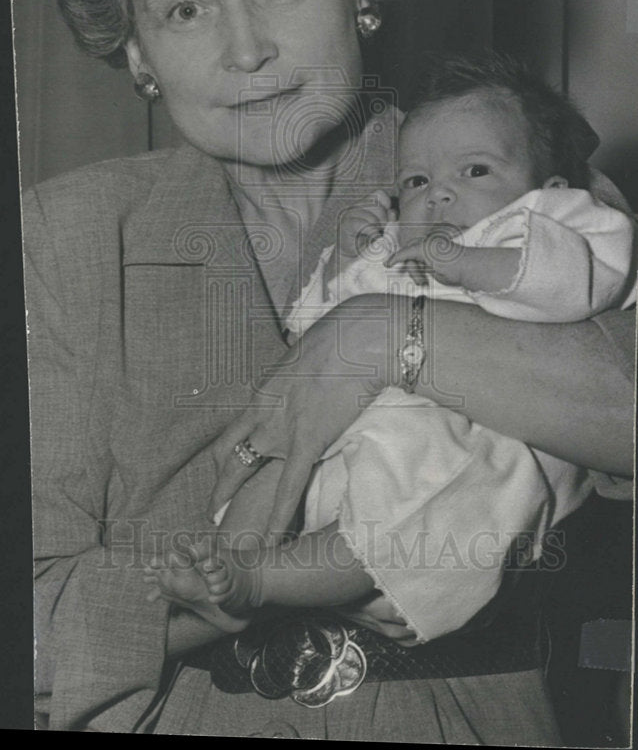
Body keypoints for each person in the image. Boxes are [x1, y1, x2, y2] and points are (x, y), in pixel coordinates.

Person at [23, 0, 634, 739]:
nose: (249, 51)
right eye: (184, 11)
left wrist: (379, 336)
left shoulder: (503, 170)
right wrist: (251, 590)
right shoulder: (63, 238)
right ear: (136, 52)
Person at [142, 54, 635, 649]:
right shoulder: (403, 241)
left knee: (399, 519)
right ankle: (226, 561)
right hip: (365, 421)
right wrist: (349, 262)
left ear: (550, 190)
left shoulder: (557, 221)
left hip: (476, 442)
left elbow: (570, 284)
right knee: (279, 456)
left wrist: (465, 263)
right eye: (417, 181)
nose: (441, 195)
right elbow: (313, 338)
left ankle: (257, 582)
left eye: (475, 171)